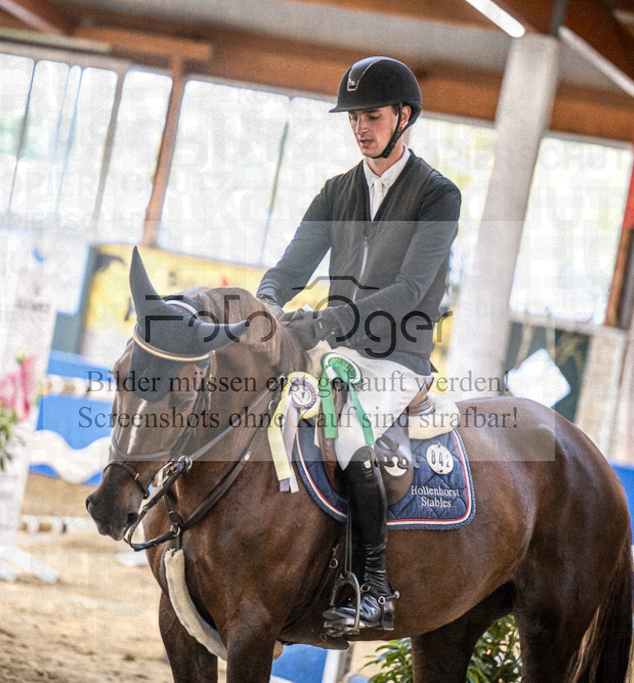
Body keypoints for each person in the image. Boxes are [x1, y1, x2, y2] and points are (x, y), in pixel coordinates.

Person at [256, 56, 461, 635]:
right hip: (339, 351)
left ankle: (374, 587)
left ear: (403, 116)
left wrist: (327, 321)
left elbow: (412, 288)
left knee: (349, 436)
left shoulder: (437, 195)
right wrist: (268, 304)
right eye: (353, 119)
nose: (360, 127)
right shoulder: (337, 191)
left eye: (371, 115)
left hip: (398, 357)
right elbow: (291, 266)